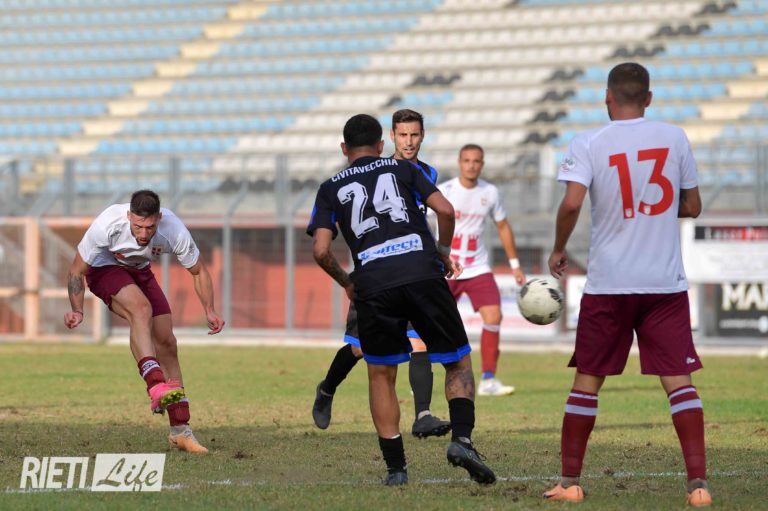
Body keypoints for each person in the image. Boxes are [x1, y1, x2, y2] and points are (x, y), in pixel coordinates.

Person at [544, 62, 710, 507]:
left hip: (609, 283)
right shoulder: (674, 137)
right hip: (663, 283)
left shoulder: (589, 141)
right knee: (679, 382)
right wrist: (654, 211)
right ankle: (698, 485)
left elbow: (571, 204)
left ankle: (570, 482)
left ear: (607, 97)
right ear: (649, 98)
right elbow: (693, 206)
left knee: (587, 381)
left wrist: (558, 247)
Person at [307, 113, 496, 486]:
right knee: (457, 360)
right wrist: (442, 252)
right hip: (422, 272)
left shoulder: (329, 188)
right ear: (383, 144)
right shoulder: (405, 169)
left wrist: (347, 282)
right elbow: (446, 210)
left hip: (373, 281)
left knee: (380, 374)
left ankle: (396, 470)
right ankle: (461, 440)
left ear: (344, 149)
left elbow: (321, 251)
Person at [313, 109, 450, 439]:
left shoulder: (426, 172)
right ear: (389, 138)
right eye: (403, 135)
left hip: (412, 271)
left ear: (423, 136)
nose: (409, 142)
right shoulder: (381, 172)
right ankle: (327, 387)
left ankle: (423, 415)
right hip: (375, 274)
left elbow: (420, 221)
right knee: (361, 348)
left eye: (414, 135)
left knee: (419, 342)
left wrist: (435, 254)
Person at [64, 189, 225, 454]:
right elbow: (76, 270)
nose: (143, 233)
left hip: (140, 272)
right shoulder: (107, 224)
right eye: (138, 226)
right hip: (103, 270)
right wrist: (77, 310)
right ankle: (155, 383)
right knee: (141, 309)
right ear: (129, 216)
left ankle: (180, 431)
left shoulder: (174, 230)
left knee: (167, 342)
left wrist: (210, 310)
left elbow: (198, 271)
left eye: (149, 227)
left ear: (159, 219)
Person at [434, 144, 526, 396]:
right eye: (467, 160)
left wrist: (515, 265)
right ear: (459, 162)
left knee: (494, 317)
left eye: (476, 161)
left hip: (478, 267)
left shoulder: (490, 192)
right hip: (448, 268)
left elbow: (503, 226)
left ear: (482, 164)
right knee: (432, 321)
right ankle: (425, 377)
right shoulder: (445, 191)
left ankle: (488, 379)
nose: (471, 165)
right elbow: (424, 223)